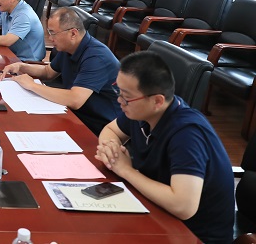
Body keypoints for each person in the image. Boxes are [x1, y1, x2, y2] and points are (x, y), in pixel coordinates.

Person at [95, 52, 234, 244]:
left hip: (192, 235)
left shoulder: (187, 134)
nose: (119, 101)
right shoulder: (141, 111)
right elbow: (111, 130)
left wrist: (126, 170)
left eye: (126, 97)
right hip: (156, 213)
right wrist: (111, 149)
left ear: (157, 101)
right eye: (118, 91)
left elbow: (183, 207)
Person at [0, 7, 120, 134]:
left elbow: (75, 99)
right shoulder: (69, 47)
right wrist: (21, 66)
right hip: (74, 114)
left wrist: (32, 85)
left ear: (73, 33)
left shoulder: (97, 57)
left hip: (100, 127)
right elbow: (48, 72)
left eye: (53, 33)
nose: (50, 38)